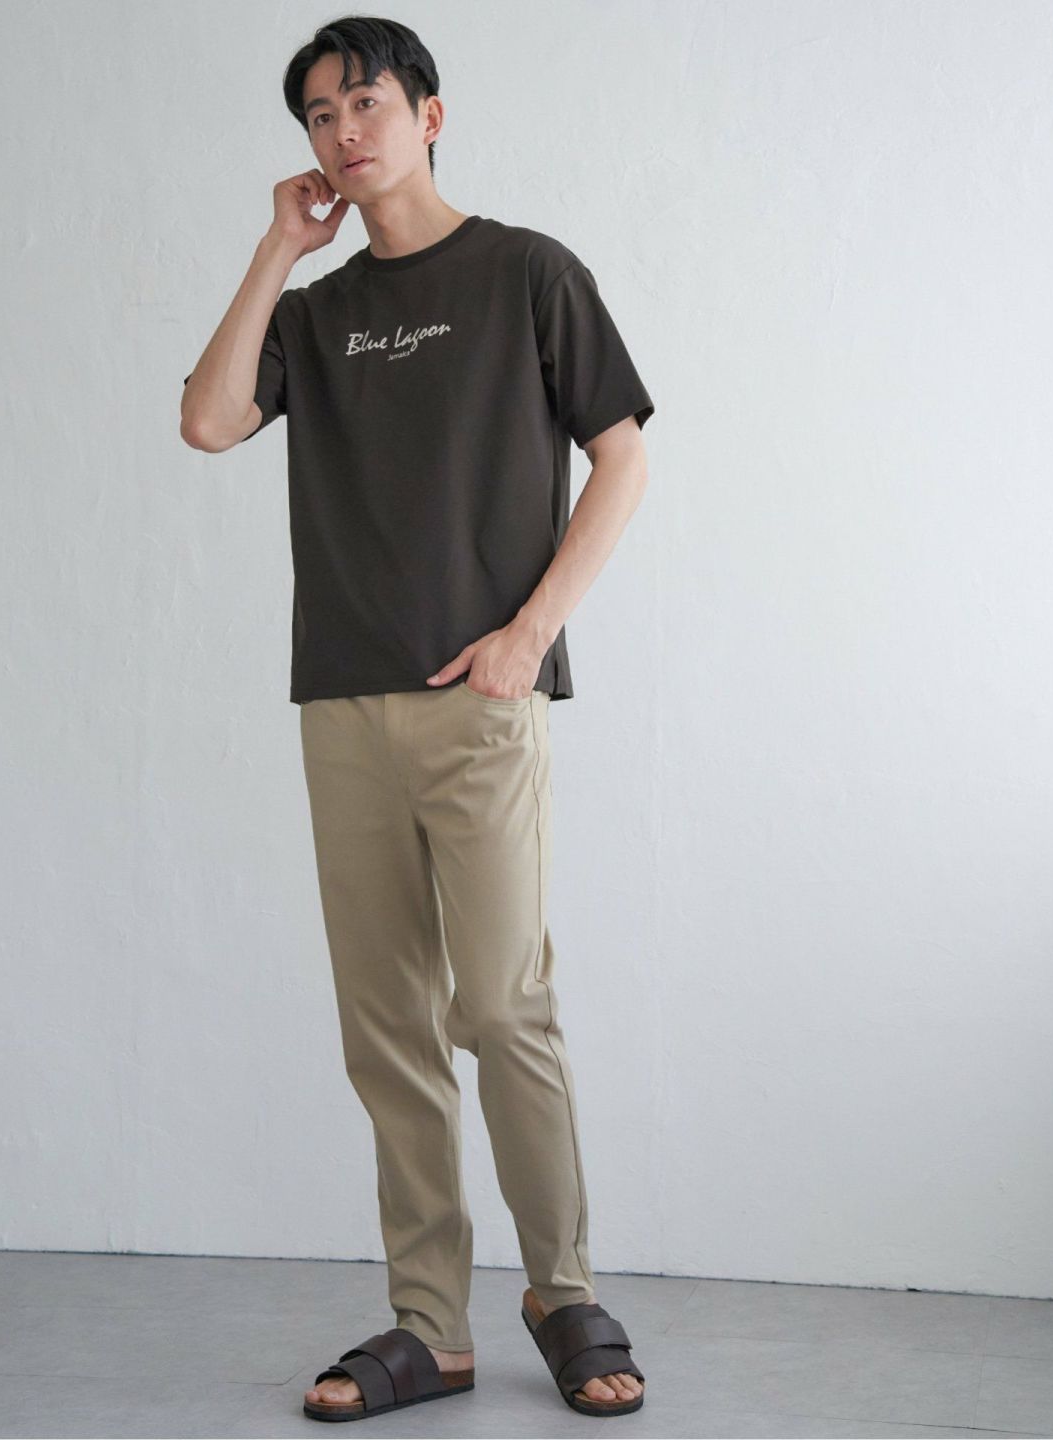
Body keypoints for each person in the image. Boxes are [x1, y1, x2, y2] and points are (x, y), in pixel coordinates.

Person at [181, 15, 654, 1423]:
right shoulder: (316, 315)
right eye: (320, 117)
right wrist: (279, 251)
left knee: (502, 1005)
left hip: (482, 701)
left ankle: (562, 1291)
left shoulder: (526, 272)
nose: (345, 133)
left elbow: (622, 455)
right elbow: (208, 421)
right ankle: (429, 1327)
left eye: (367, 103)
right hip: (343, 702)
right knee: (386, 1022)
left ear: (429, 114)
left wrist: (530, 633)